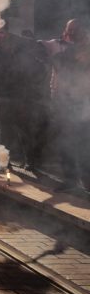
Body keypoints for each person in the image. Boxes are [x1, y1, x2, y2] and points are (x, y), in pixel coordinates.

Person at [41, 19, 90, 191]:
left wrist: (54, 53)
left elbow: (67, 68)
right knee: (65, 142)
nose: (69, 34)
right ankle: (71, 180)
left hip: (81, 104)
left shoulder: (83, 50)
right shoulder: (66, 48)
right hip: (64, 103)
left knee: (82, 144)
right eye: (68, 30)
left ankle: (84, 181)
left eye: (73, 31)